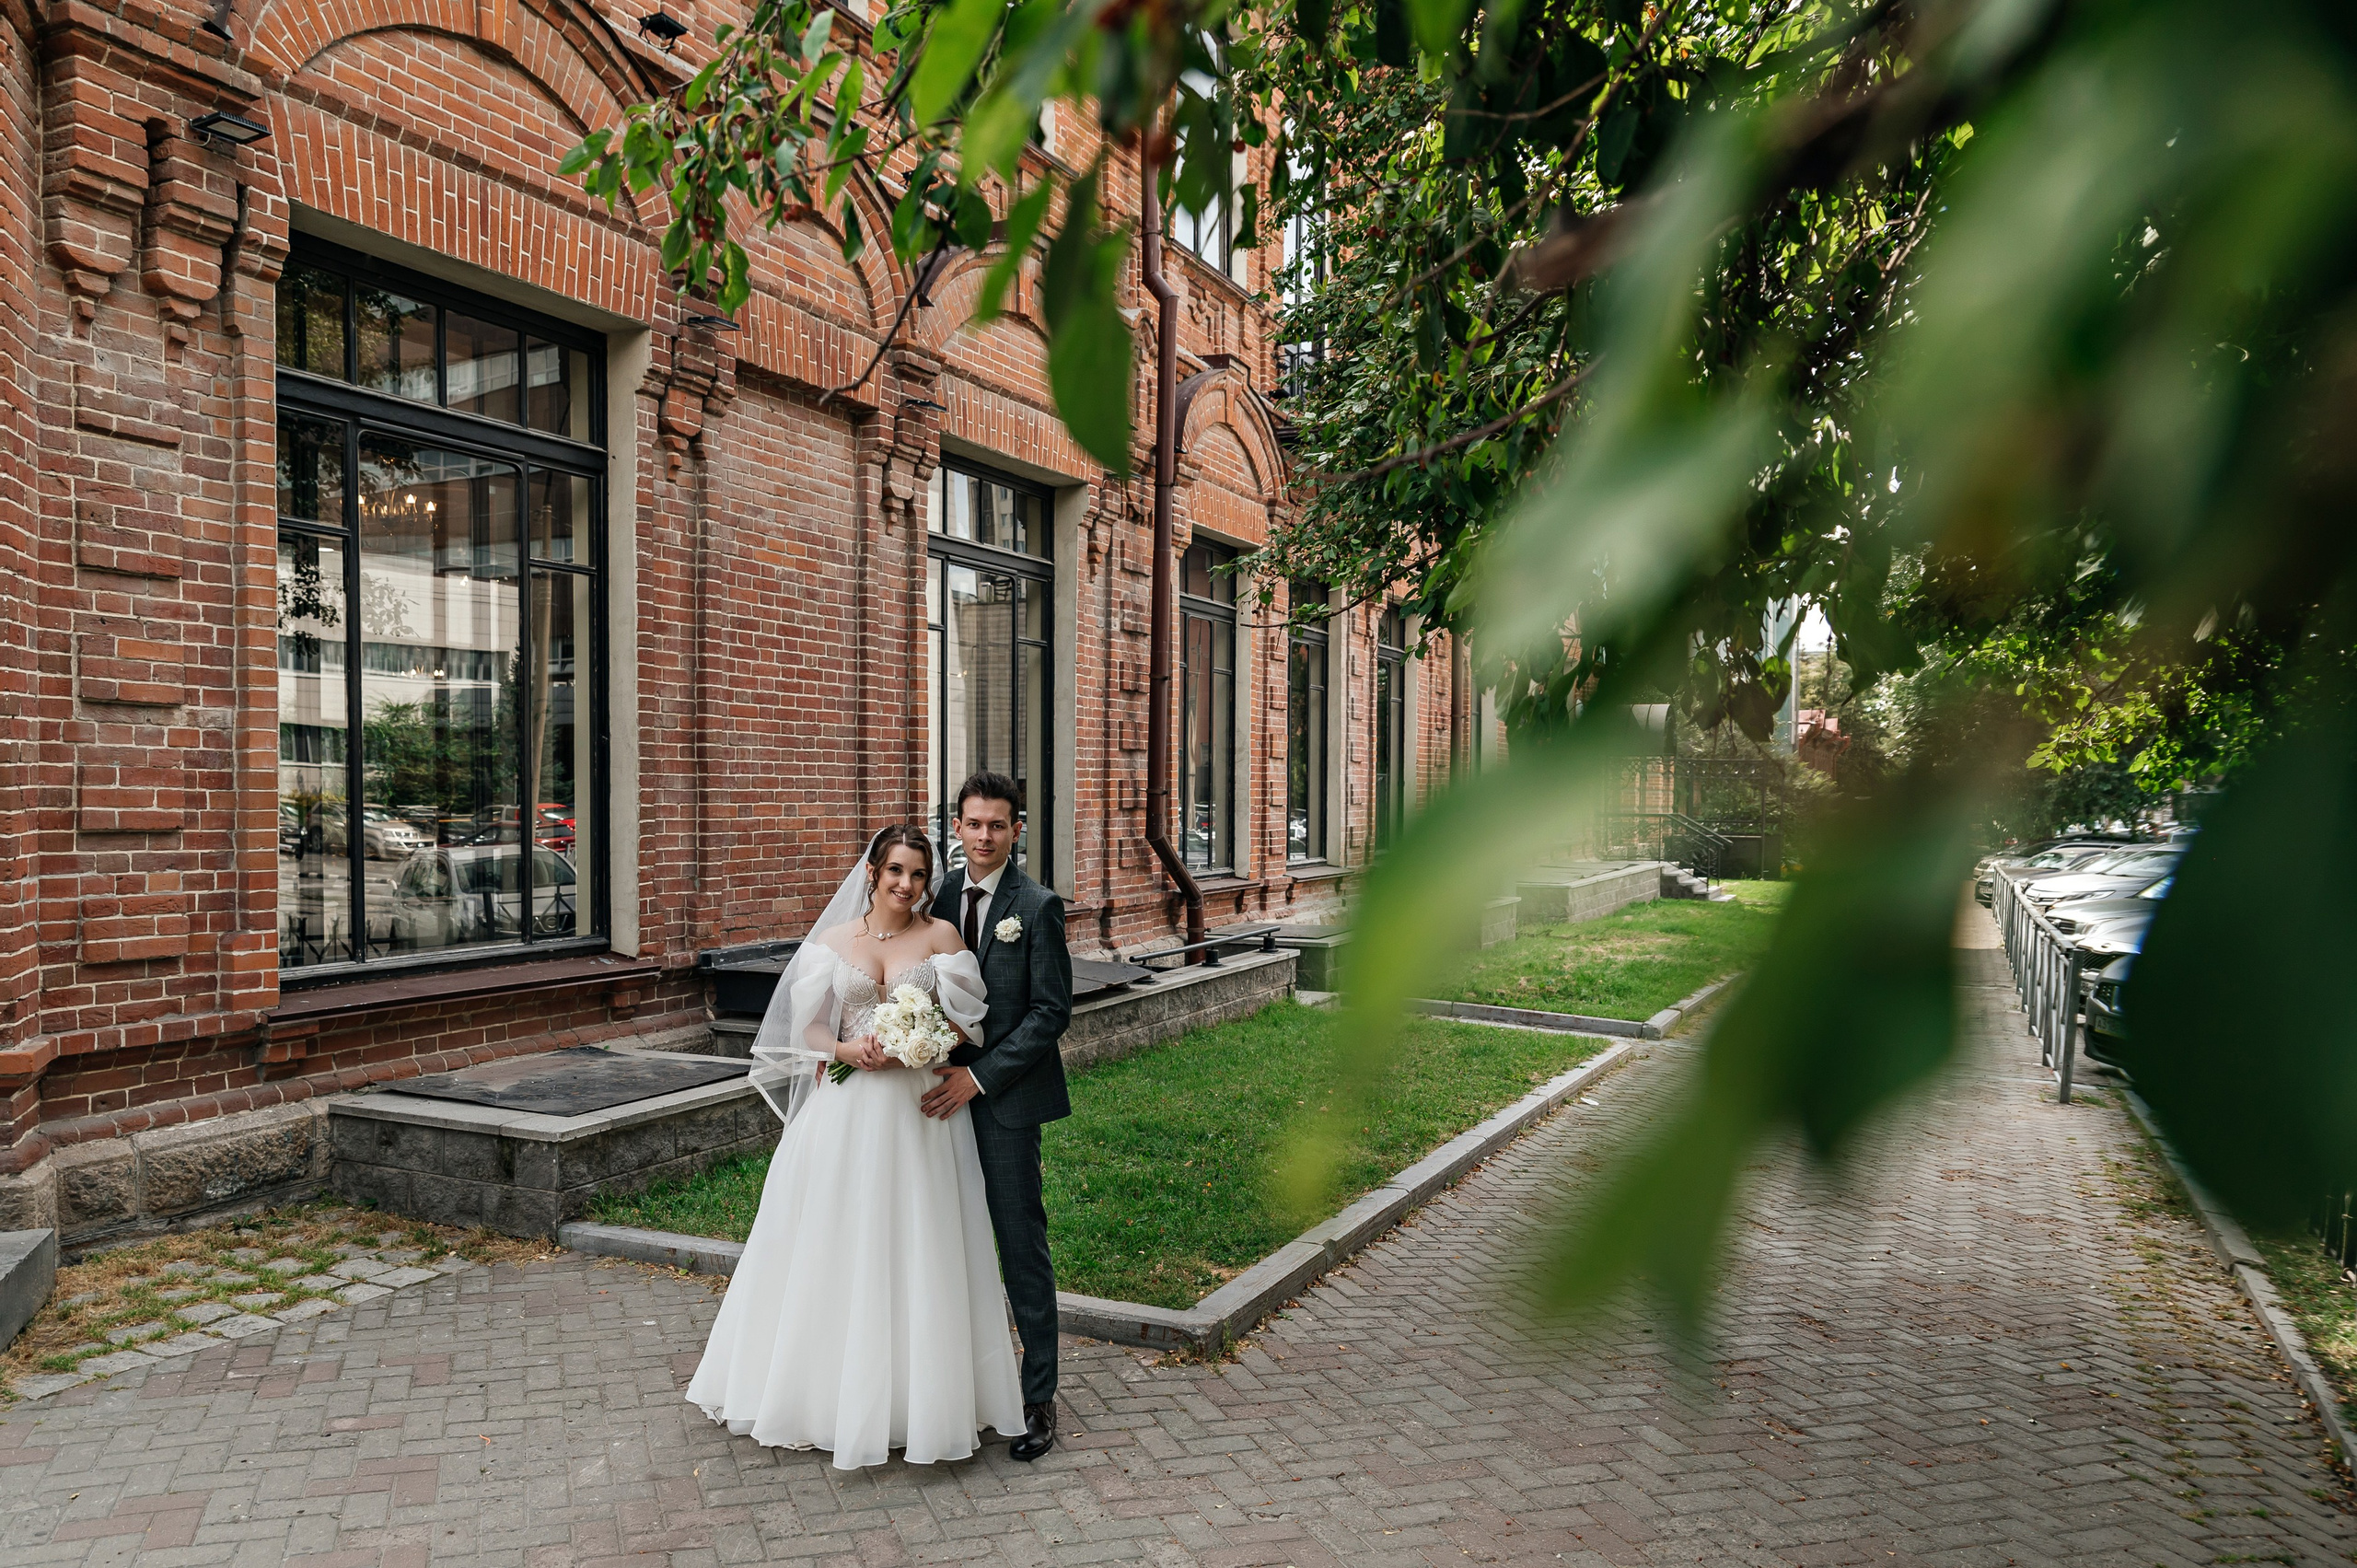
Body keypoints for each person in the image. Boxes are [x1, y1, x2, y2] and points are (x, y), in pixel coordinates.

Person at [685, 824, 1025, 1469]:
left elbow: (965, 1022)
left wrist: (920, 1046)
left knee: (918, 1243)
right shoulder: (833, 942)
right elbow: (806, 1024)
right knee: (834, 1240)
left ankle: (922, 1400)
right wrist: (846, 1049)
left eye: (919, 874)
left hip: (918, 1109)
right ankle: (820, 1393)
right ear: (872, 871)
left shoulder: (942, 939)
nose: (906, 884)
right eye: (896, 870)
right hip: (844, 1110)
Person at [924, 771, 1073, 1462]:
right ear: (955, 826)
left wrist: (979, 1079)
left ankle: (1038, 1398)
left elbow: (1050, 1013)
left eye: (997, 824)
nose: (983, 836)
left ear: (1017, 829)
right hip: (932, 1098)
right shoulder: (934, 895)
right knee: (942, 1241)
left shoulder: (1036, 905)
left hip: (1004, 1103)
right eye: (972, 823)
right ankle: (958, 1387)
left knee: (1020, 1245)